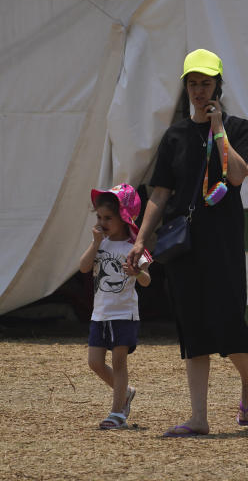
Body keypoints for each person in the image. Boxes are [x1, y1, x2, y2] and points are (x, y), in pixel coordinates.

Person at [127, 48, 248, 437]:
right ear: (185, 87)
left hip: (222, 241)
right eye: (193, 84)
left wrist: (218, 130)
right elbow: (159, 194)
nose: (199, 91)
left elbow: (237, 176)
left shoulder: (239, 129)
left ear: (219, 85)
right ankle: (199, 417)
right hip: (183, 243)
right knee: (192, 326)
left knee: (227, 316)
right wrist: (140, 240)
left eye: (206, 83)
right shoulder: (174, 136)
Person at [77, 183, 151, 430]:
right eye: (99, 217)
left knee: (119, 364)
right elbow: (84, 267)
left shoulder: (133, 248)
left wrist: (137, 272)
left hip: (124, 315)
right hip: (100, 314)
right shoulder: (101, 244)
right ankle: (126, 393)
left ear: (124, 218)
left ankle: (117, 413)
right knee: (95, 363)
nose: (102, 222)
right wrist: (95, 242)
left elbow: (147, 280)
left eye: (108, 218)